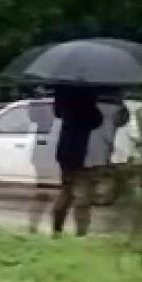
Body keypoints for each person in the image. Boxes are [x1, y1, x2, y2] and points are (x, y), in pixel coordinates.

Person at [48, 86, 103, 236]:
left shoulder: (63, 90)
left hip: (65, 151)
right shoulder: (86, 97)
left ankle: (57, 229)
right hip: (78, 152)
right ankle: (79, 232)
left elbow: (58, 112)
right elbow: (97, 120)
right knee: (80, 193)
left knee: (67, 190)